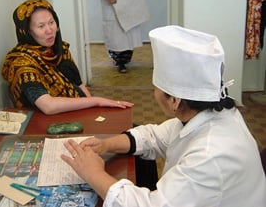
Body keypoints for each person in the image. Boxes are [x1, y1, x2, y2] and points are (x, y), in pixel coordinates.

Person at [61, 26, 266, 206]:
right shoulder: (210, 113)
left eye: (156, 87)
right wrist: (106, 145)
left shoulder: (210, 154)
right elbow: (156, 136)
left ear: (175, 101)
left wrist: (93, 173)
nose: (154, 93)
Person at [1, 0, 133, 115]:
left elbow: (79, 84)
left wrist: (93, 110)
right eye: (41, 26)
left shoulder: (60, 50)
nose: (49, 30)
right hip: (48, 124)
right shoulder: (22, 63)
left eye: (51, 22)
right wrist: (96, 101)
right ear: (27, 31)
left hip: (80, 112)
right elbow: (48, 106)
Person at [93, 0, 148, 73]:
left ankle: (126, 59)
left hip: (129, 5)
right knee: (116, 37)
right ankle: (119, 62)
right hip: (113, 6)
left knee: (129, 37)